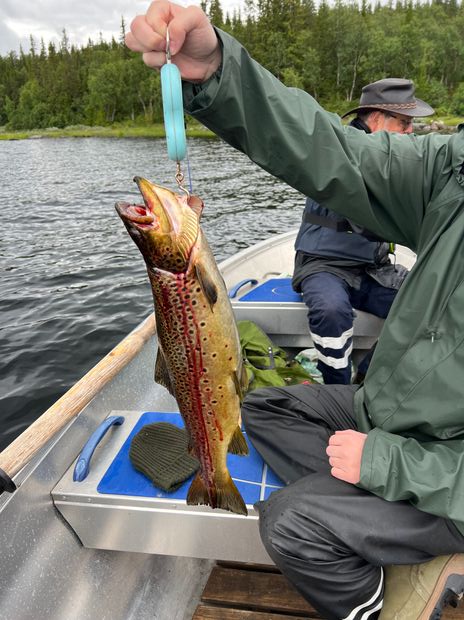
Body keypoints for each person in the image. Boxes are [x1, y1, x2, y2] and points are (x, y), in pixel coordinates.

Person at [126, 4, 464, 619]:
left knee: (288, 522)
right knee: (259, 406)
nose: (410, 130)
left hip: (449, 474)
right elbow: (331, 152)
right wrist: (216, 71)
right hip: (390, 411)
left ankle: (382, 591)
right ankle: (368, 514)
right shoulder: (454, 172)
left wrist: (385, 464)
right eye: (402, 121)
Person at [293, 80, 434, 385]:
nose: (411, 131)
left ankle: (366, 378)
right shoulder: (339, 150)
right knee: (331, 311)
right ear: (377, 119)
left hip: (373, 270)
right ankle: (337, 390)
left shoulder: (393, 158)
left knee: (432, 303)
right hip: (324, 264)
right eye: (405, 123)